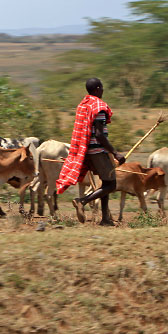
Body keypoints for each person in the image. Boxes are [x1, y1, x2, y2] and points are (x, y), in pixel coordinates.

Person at [55, 78, 125, 226]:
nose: (103, 90)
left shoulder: (84, 105)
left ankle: (105, 219)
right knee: (111, 185)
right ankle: (82, 201)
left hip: (86, 149)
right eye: (102, 88)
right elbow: (99, 135)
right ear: (98, 88)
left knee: (106, 182)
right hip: (98, 151)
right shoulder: (98, 106)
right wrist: (115, 152)